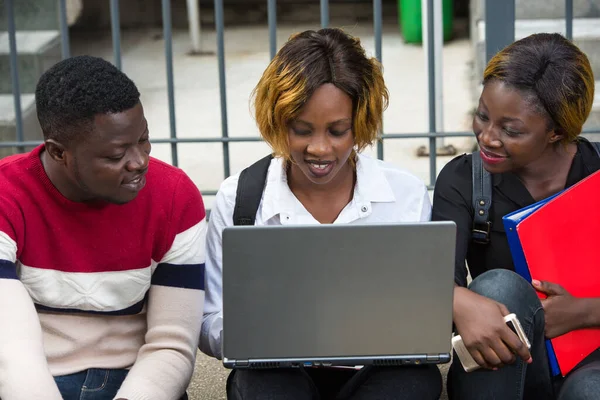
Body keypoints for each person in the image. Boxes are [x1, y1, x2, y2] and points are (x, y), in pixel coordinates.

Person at [200, 28, 442, 400]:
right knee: (259, 386)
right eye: (302, 130)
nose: (319, 148)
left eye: (337, 130)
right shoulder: (241, 199)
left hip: (377, 374)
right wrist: (257, 331)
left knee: (416, 383)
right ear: (279, 121)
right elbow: (208, 320)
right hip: (277, 372)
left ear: (360, 122)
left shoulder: (404, 195)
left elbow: (423, 312)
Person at [0, 56, 206, 400]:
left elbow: (172, 344)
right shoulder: (7, 195)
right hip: (30, 378)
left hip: (135, 380)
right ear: (59, 152)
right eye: (115, 155)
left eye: (143, 139)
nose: (139, 161)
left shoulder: (175, 197)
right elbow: (11, 353)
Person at [432, 33, 600, 399]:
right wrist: (457, 299)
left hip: (592, 363)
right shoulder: (464, 181)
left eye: (511, 130)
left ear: (557, 130)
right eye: (482, 116)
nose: (487, 137)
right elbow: (432, 284)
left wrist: (585, 312)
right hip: (502, 366)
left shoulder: (595, 174)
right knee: (498, 287)